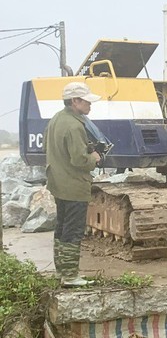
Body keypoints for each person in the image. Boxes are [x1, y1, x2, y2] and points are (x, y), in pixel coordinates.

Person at [44, 82, 102, 287]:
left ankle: (61, 271)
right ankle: (70, 276)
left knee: (61, 228)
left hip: (58, 182)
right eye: (86, 101)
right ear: (75, 101)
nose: (90, 105)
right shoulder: (75, 125)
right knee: (73, 230)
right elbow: (79, 160)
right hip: (74, 185)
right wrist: (94, 157)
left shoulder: (57, 119)